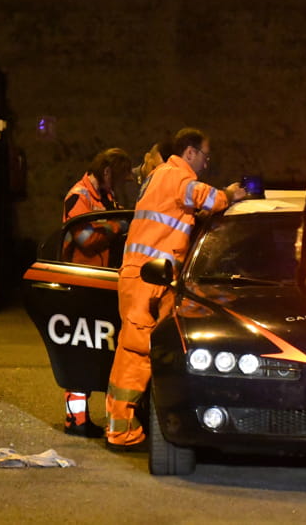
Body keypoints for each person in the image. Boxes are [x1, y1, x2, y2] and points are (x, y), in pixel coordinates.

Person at [105, 127, 246, 450]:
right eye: (205, 156)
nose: (207, 163)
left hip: (149, 278)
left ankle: (122, 426)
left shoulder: (162, 178)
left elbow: (187, 211)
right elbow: (207, 197)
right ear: (190, 152)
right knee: (137, 353)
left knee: (137, 352)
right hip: (147, 280)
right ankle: (121, 432)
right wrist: (231, 194)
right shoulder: (173, 176)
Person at [60, 147, 133, 438]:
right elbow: (85, 239)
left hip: (101, 282)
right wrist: (118, 225)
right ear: (106, 172)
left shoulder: (105, 196)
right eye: (117, 177)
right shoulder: (80, 195)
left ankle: (91, 418)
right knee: (81, 352)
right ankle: (75, 421)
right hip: (81, 283)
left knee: (100, 351)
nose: (118, 184)